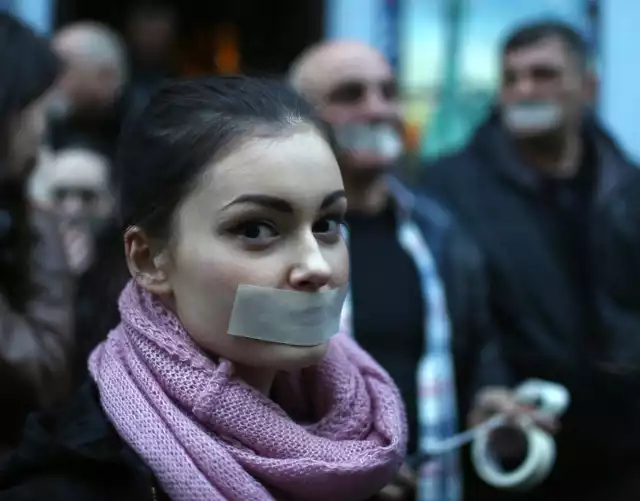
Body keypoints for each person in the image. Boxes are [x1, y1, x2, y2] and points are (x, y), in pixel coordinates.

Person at [0, 76, 407, 501]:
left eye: (326, 225)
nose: (317, 266)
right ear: (148, 260)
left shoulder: (358, 458)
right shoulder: (71, 484)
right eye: (255, 229)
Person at [289, 41, 535, 501]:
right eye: (350, 95)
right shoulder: (269, 247)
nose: (378, 109)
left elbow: (477, 350)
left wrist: (485, 403)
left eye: (388, 91)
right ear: (297, 119)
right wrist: (331, 466)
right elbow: (238, 393)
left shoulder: (437, 232)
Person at [422, 20, 640, 500]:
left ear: (588, 86)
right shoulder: (446, 192)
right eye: (511, 77)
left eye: (543, 74)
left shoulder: (626, 184)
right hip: (515, 453)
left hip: (625, 456)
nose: (524, 90)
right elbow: (454, 323)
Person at [0, 13, 74, 452]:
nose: (44, 129)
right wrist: (41, 210)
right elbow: (43, 370)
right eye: (38, 109)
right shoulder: (28, 209)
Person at [49, 21, 128, 160]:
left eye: (62, 69)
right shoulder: (51, 127)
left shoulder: (146, 132)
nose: (52, 80)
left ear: (105, 77)